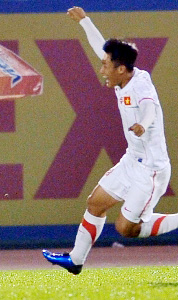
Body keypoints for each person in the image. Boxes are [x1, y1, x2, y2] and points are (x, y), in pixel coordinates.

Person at [42, 6, 178, 275]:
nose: (101, 68)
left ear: (122, 69)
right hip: (132, 160)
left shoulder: (140, 85)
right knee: (95, 202)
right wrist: (85, 21)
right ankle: (76, 260)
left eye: (106, 65)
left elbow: (150, 107)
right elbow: (99, 48)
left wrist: (144, 123)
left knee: (126, 229)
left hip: (151, 169)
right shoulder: (121, 77)